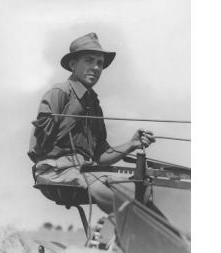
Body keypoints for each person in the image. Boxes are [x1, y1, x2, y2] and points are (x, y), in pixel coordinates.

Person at [28, 32, 155, 214]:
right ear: (73, 64)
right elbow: (38, 146)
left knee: (141, 189)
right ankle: (123, 235)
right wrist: (71, 118)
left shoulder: (93, 104)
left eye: (100, 63)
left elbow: (101, 155)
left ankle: (126, 238)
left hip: (82, 172)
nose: (95, 67)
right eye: (89, 60)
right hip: (55, 173)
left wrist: (132, 144)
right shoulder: (60, 92)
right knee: (126, 201)